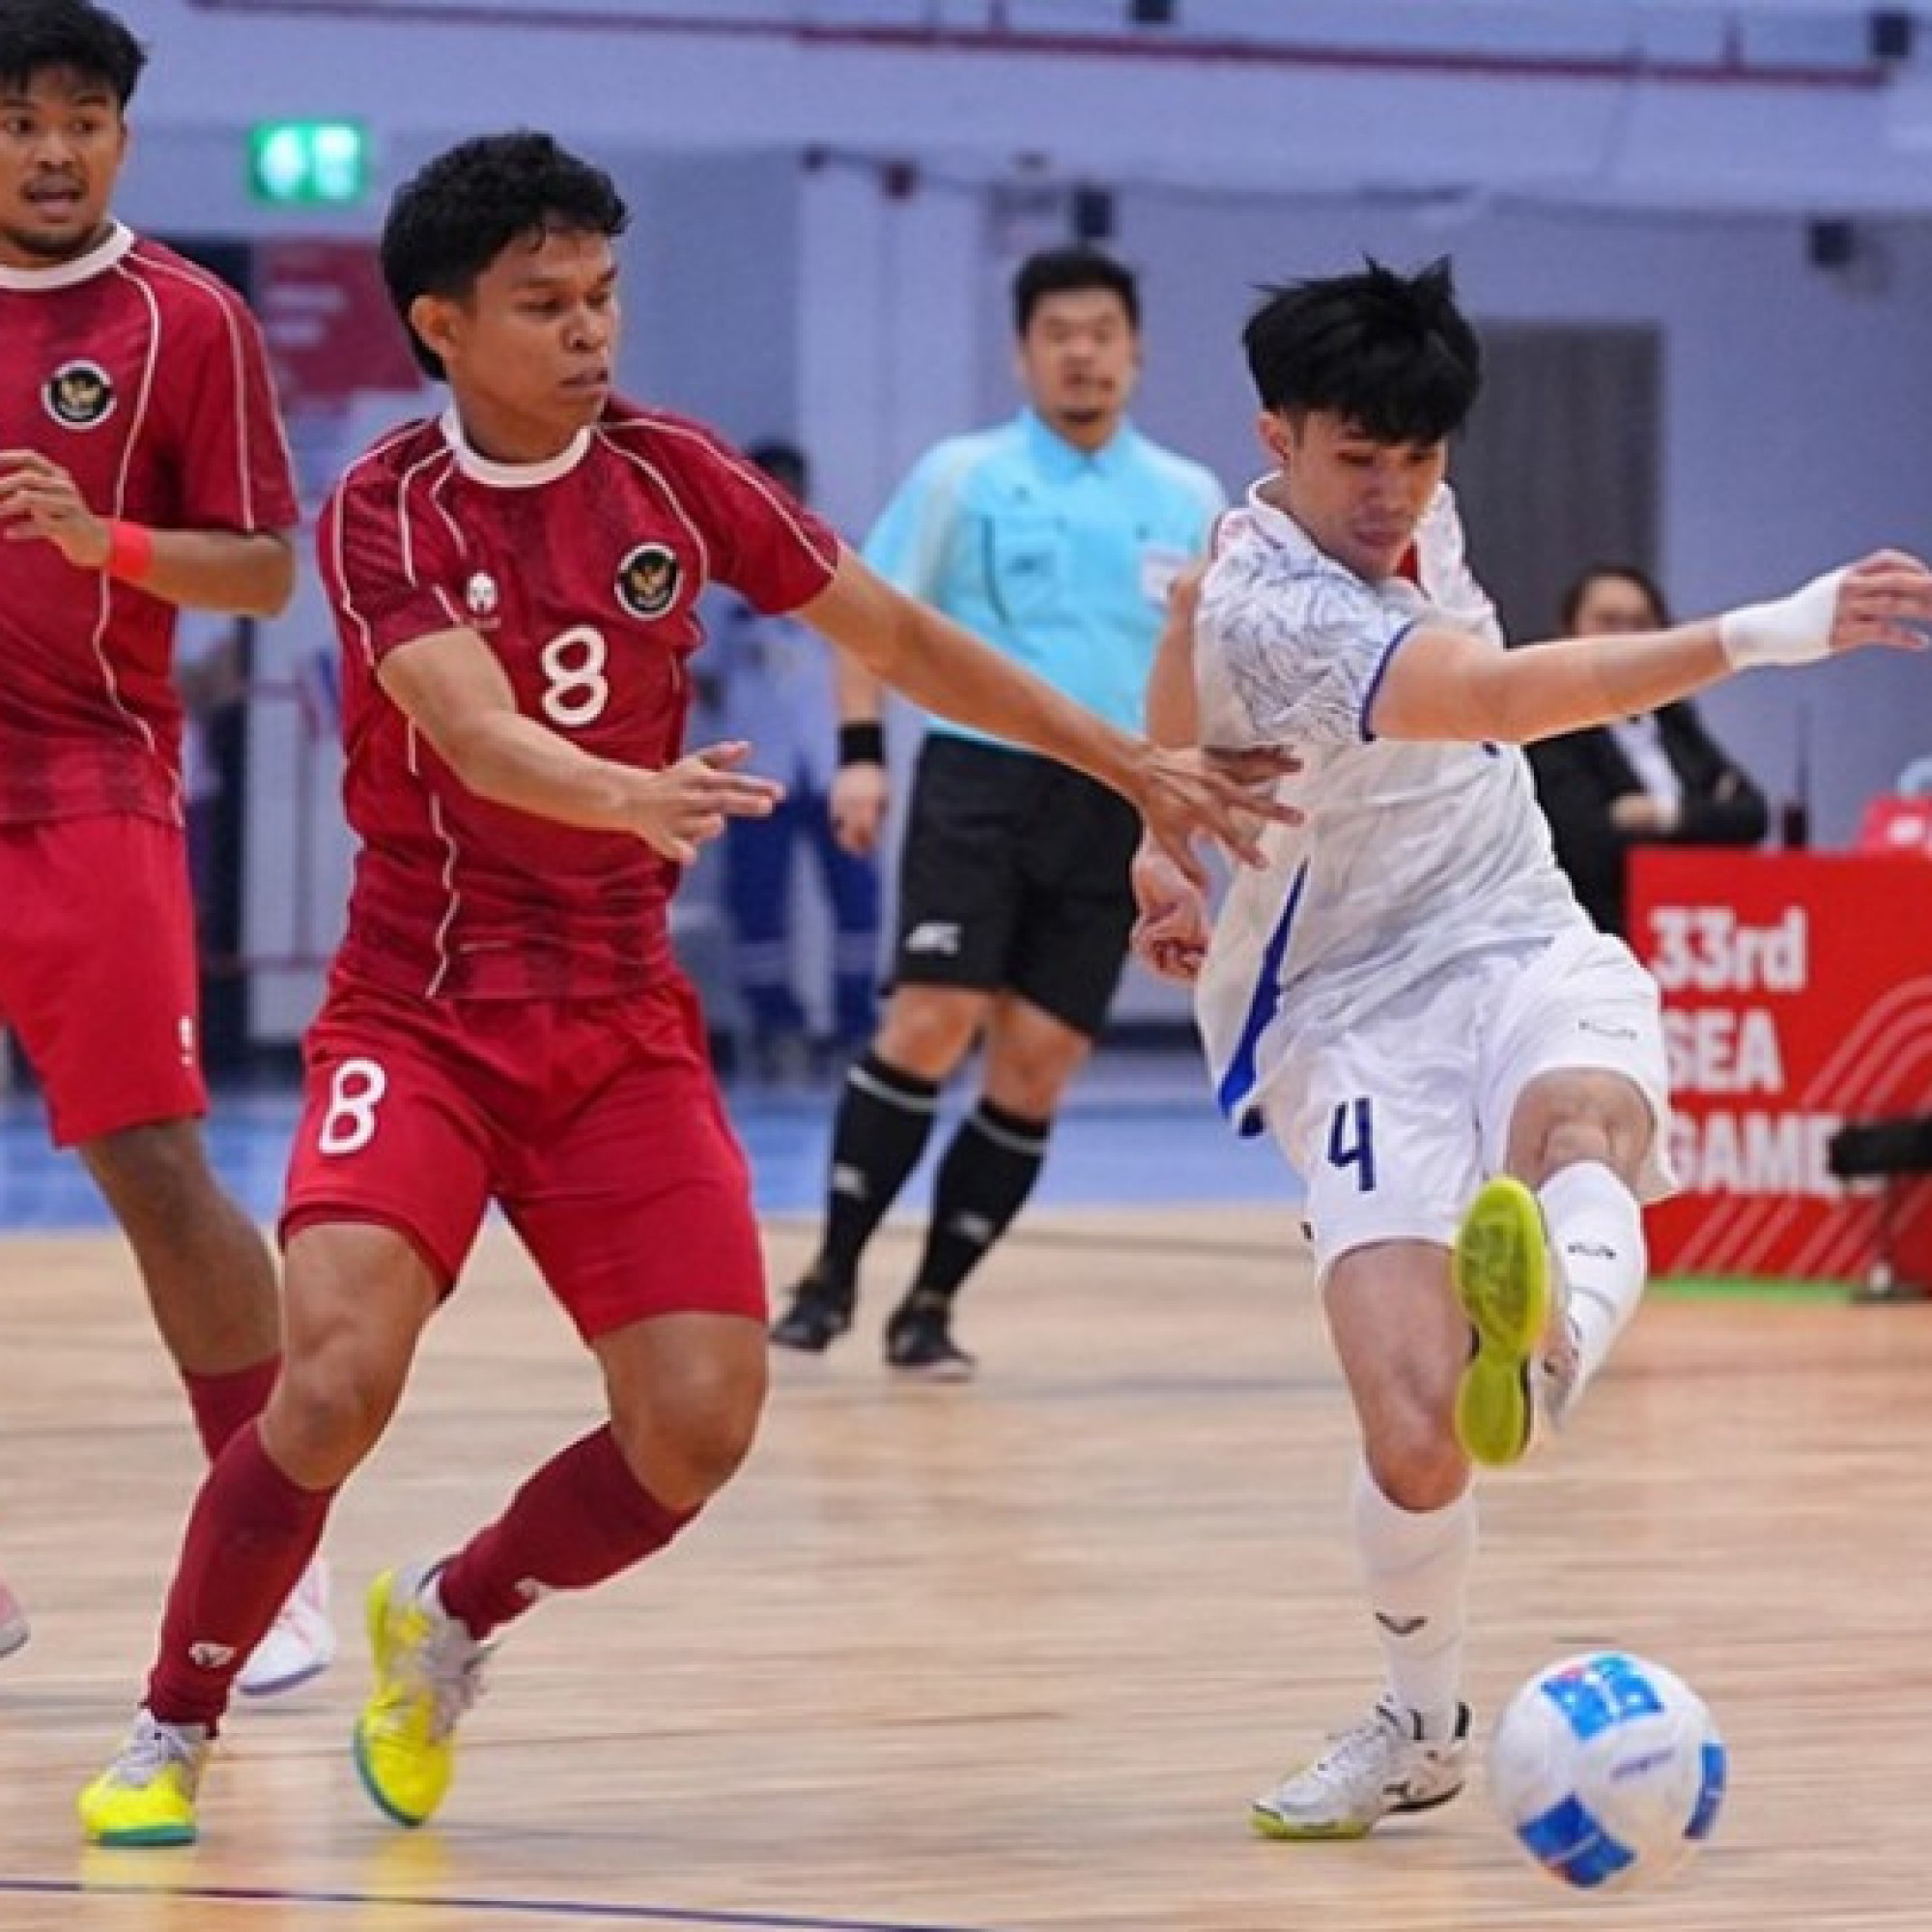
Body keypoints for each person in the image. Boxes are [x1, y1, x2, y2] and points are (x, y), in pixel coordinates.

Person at [75, 130, 1288, 1848]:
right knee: (334, 1376)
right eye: (542, 304)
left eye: (604, 295)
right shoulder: (383, 509)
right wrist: (619, 791)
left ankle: (451, 1617)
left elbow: (901, 636)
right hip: (422, 1006)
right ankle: (170, 1727)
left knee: (701, 1428)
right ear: (441, 324)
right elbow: (477, 730)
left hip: (618, 1020)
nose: (588, 332)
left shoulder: (673, 473)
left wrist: (1128, 760)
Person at [1128, 259, 1929, 1840]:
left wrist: (1163, 832)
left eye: (1419, 459)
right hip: (1345, 1008)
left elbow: (1169, 656)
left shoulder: (1365, 503)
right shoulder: (1276, 601)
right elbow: (1487, 688)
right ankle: (1417, 1727)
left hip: (1512, 927)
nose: (1393, 493)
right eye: (1359, 460)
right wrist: (1766, 632)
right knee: (1416, 1438)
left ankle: (1552, 1337)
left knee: (1585, 1118)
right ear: (1274, 436)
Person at [0, 0, 332, 1691]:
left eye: (81, 118)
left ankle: (272, 1554)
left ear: (123, 136)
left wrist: (100, 536)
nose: (50, 149)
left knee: (151, 1166)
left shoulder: (184, 320)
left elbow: (267, 574)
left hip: (86, 785)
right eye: (18, 120)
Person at [771, 245, 1227, 1378]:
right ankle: (827, 1273)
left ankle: (928, 1304)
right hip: (977, 779)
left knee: (1035, 1062)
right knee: (929, 1020)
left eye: (1102, 333)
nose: (1082, 352)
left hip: (1113, 797)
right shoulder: (960, 474)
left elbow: (1214, 669)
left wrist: (1184, 806)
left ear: (1135, 351)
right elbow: (864, 616)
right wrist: (862, 755)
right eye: (1058, 333)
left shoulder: (1189, 498)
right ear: (1023, 350)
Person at [696, 440, 880, 1079]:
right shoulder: (717, 576)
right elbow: (705, 673)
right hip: (759, 769)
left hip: (834, 767)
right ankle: (776, 1025)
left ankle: (856, 1025)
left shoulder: (842, 561)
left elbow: (874, 655)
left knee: (857, 899)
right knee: (758, 906)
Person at [1529, 564, 1770, 937]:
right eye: (1609, 622)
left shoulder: (1673, 716)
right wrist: (1705, 817)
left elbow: (1751, 815)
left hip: (1702, 924)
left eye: (1640, 624)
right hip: (1600, 929)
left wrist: (1663, 815)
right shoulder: (1550, 725)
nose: (1626, 638)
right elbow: (1588, 848)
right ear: (1569, 632)